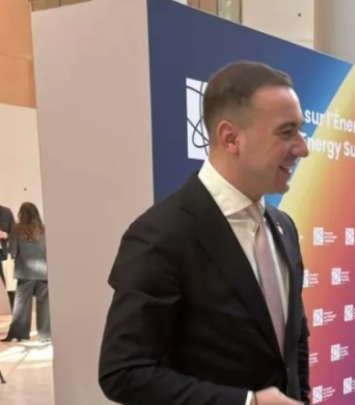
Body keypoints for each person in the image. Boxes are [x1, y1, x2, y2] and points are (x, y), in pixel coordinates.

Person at [98, 62, 310, 405]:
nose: (303, 148)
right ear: (230, 138)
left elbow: (294, 339)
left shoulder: (283, 227)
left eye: (300, 131)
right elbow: (123, 372)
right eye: (286, 133)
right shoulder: (160, 234)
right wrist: (248, 403)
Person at [1, 202, 51, 343]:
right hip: (43, 272)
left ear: (21, 214)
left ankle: (18, 334)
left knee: (21, 305)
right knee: (44, 305)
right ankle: (45, 335)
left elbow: (12, 251)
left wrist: (7, 240)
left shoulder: (17, 229)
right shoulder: (43, 229)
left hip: (25, 272)